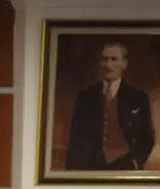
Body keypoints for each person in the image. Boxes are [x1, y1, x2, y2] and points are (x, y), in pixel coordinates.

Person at [66, 40, 154, 171]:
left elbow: (147, 137)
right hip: (90, 167)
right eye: (104, 59)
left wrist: (136, 162)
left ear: (124, 64)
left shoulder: (138, 97)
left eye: (114, 59)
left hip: (125, 167)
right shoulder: (85, 97)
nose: (108, 65)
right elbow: (75, 139)